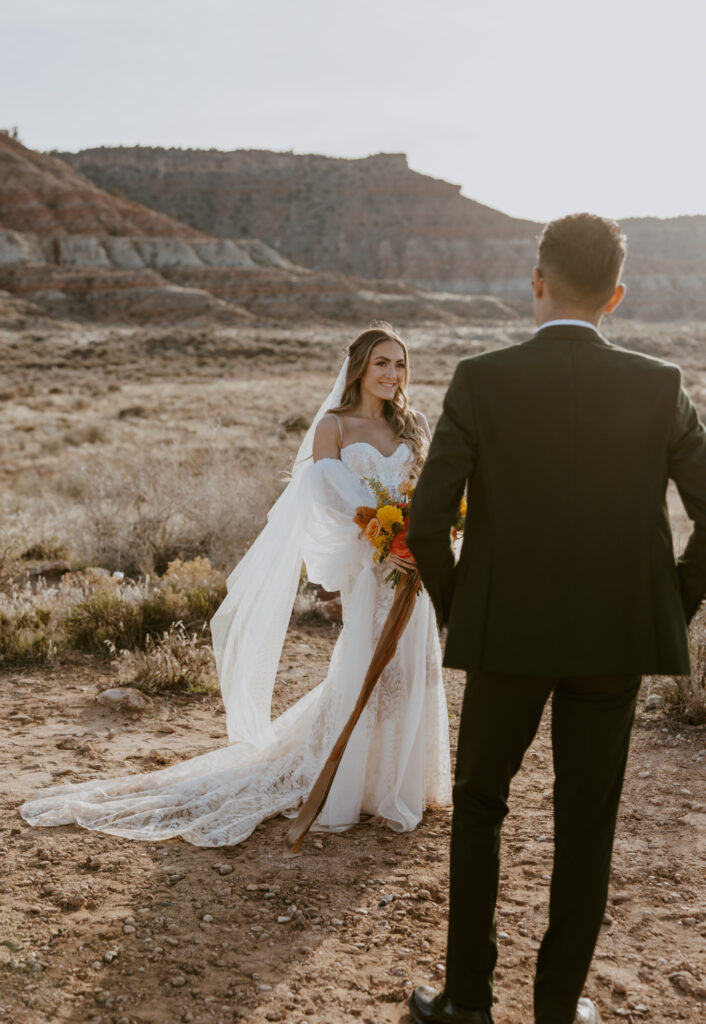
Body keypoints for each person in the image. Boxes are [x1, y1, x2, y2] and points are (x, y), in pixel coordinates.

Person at [405, 213, 706, 1024]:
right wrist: (667, 605)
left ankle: (467, 1002)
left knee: (479, 808)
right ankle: (557, 1007)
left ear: (536, 280)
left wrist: (467, 610)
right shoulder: (662, 384)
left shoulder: (480, 379)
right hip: (615, 642)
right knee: (587, 822)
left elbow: (427, 525)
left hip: (505, 636)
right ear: (616, 295)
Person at [19, 322, 451, 846]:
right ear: (359, 367)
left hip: (415, 570)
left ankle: (401, 784)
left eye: (400, 364)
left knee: (416, 669)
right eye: (382, 362)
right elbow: (327, 503)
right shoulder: (333, 428)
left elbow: (431, 493)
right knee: (369, 669)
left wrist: (427, 541)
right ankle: (354, 784)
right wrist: (383, 543)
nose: (392, 373)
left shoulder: (416, 424)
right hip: (373, 568)